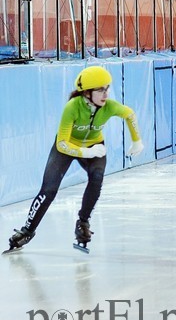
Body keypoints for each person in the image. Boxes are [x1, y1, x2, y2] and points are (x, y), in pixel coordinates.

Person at [6, 66, 144, 253]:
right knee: (49, 190)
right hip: (68, 147)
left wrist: (137, 141)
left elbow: (130, 114)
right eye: (100, 89)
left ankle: (83, 222)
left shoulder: (110, 106)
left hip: (94, 146)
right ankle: (27, 230)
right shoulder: (72, 107)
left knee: (97, 177)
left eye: (107, 88)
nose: (106, 94)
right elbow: (62, 143)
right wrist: (87, 152)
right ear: (87, 93)